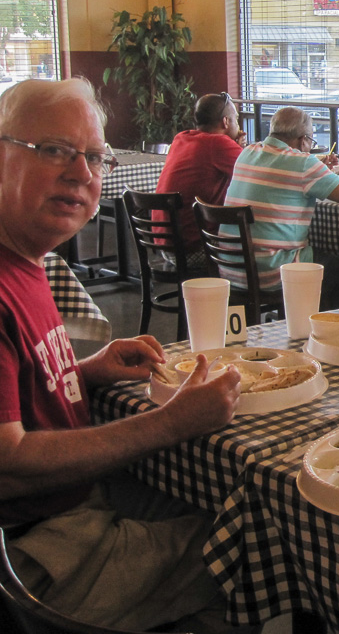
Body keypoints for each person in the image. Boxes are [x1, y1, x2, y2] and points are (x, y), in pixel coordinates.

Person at [0, 79, 245, 632]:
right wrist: (170, 422)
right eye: (54, 151)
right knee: (255, 549)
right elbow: (8, 466)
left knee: (240, 500)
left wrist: (82, 372)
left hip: (72, 508)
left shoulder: (28, 258)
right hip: (37, 554)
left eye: (93, 157)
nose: (82, 174)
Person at [224, 105, 339, 308]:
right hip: (274, 272)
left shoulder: (247, 152)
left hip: (229, 268)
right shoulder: (302, 163)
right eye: (311, 140)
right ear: (303, 140)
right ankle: (335, 331)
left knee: (324, 256)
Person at [155, 91, 246, 268]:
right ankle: (244, 292)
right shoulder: (219, 144)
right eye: (236, 118)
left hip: (165, 246)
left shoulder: (181, 138)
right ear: (225, 122)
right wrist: (234, 146)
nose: (238, 124)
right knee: (259, 247)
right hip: (194, 250)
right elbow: (255, 172)